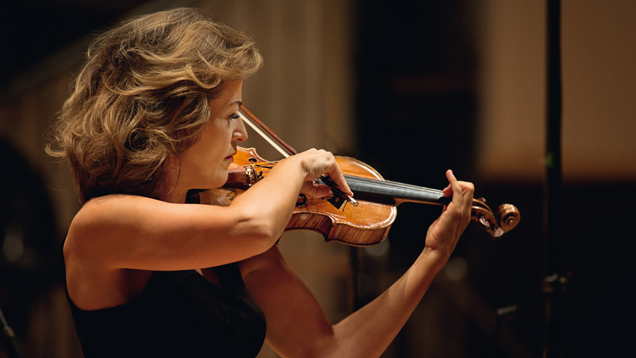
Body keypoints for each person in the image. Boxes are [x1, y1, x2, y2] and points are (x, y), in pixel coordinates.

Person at [47, 7, 474, 358]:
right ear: (176, 120)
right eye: (231, 113)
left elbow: (327, 351)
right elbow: (253, 226)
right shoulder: (101, 226)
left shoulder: (224, 229)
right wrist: (297, 166)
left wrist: (432, 256)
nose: (242, 134)